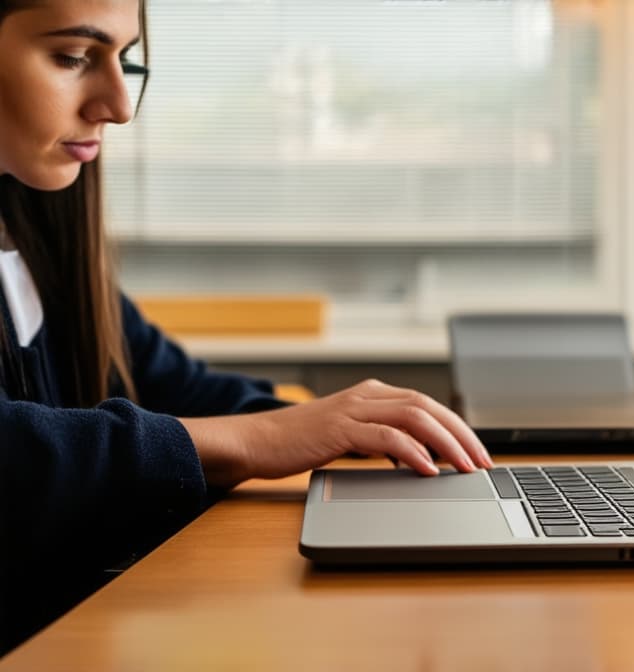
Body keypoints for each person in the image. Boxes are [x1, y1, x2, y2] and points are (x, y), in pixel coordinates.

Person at [0, 0, 493, 654]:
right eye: (72, 58)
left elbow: (176, 386)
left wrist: (345, 428)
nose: (119, 106)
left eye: (128, 61)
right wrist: (260, 436)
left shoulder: (33, 234)